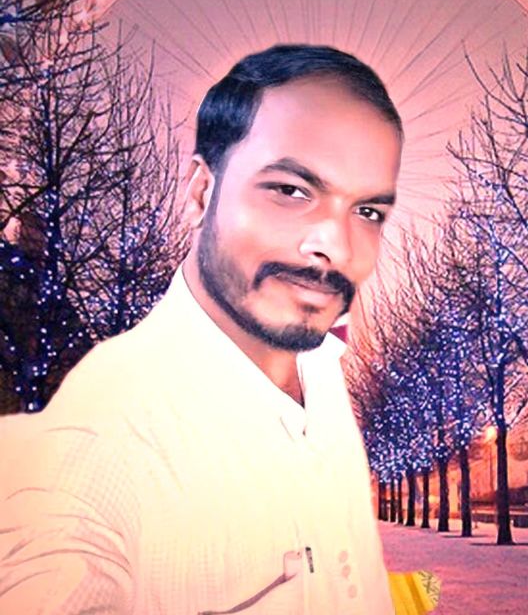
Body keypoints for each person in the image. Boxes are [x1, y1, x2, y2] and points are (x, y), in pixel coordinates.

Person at [0, 43, 403, 614]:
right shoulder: (96, 445)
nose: (335, 247)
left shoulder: (319, 366)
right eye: (291, 191)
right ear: (199, 193)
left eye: (368, 212)